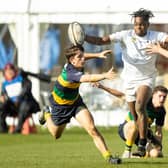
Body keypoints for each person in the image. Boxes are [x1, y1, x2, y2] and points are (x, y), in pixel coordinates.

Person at [84, 8, 168, 157]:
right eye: (136, 24)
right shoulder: (125, 35)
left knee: (140, 105)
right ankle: (147, 136)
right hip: (129, 80)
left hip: (146, 78)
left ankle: (141, 145)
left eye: (142, 24)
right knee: (135, 116)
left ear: (148, 25)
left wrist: (159, 48)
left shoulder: (156, 36)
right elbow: (100, 41)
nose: (138, 27)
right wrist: (83, 36)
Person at [38, 44, 121, 164]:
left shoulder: (75, 62)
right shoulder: (70, 74)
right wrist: (105, 75)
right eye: (80, 57)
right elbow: (88, 78)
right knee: (56, 134)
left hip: (76, 102)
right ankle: (46, 113)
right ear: (72, 60)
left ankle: (109, 157)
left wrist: (98, 55)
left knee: (92, 128)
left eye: (83, 56)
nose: (83, 59)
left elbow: (83, 57)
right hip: (60, 106)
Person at [93, 83, 167, 158]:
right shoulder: (143, 101)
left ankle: (135, 155)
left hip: (142, 135)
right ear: (153, 95)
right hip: (127, 128)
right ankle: (127, 152)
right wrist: (102, 87)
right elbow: (122, 95)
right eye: (160, 96)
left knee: (156, 155)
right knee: (134, 123)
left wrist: (158, 147)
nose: (162, 99)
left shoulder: (161, 111)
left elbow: (158, 132)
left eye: (164, 97)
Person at [0, 63, 40, 133]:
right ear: (5, 73)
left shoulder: (22, 79)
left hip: (26, 105)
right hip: (13, 107)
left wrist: (18, 100)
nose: (9, 72)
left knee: (24, 105)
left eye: (11, 70)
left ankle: (18, 129)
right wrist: (2, 97)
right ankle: (3, 129)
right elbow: (3, 95)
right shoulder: (4, 84)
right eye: (7, 70)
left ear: (14, 71)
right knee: (1, 106)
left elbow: (27, 90)